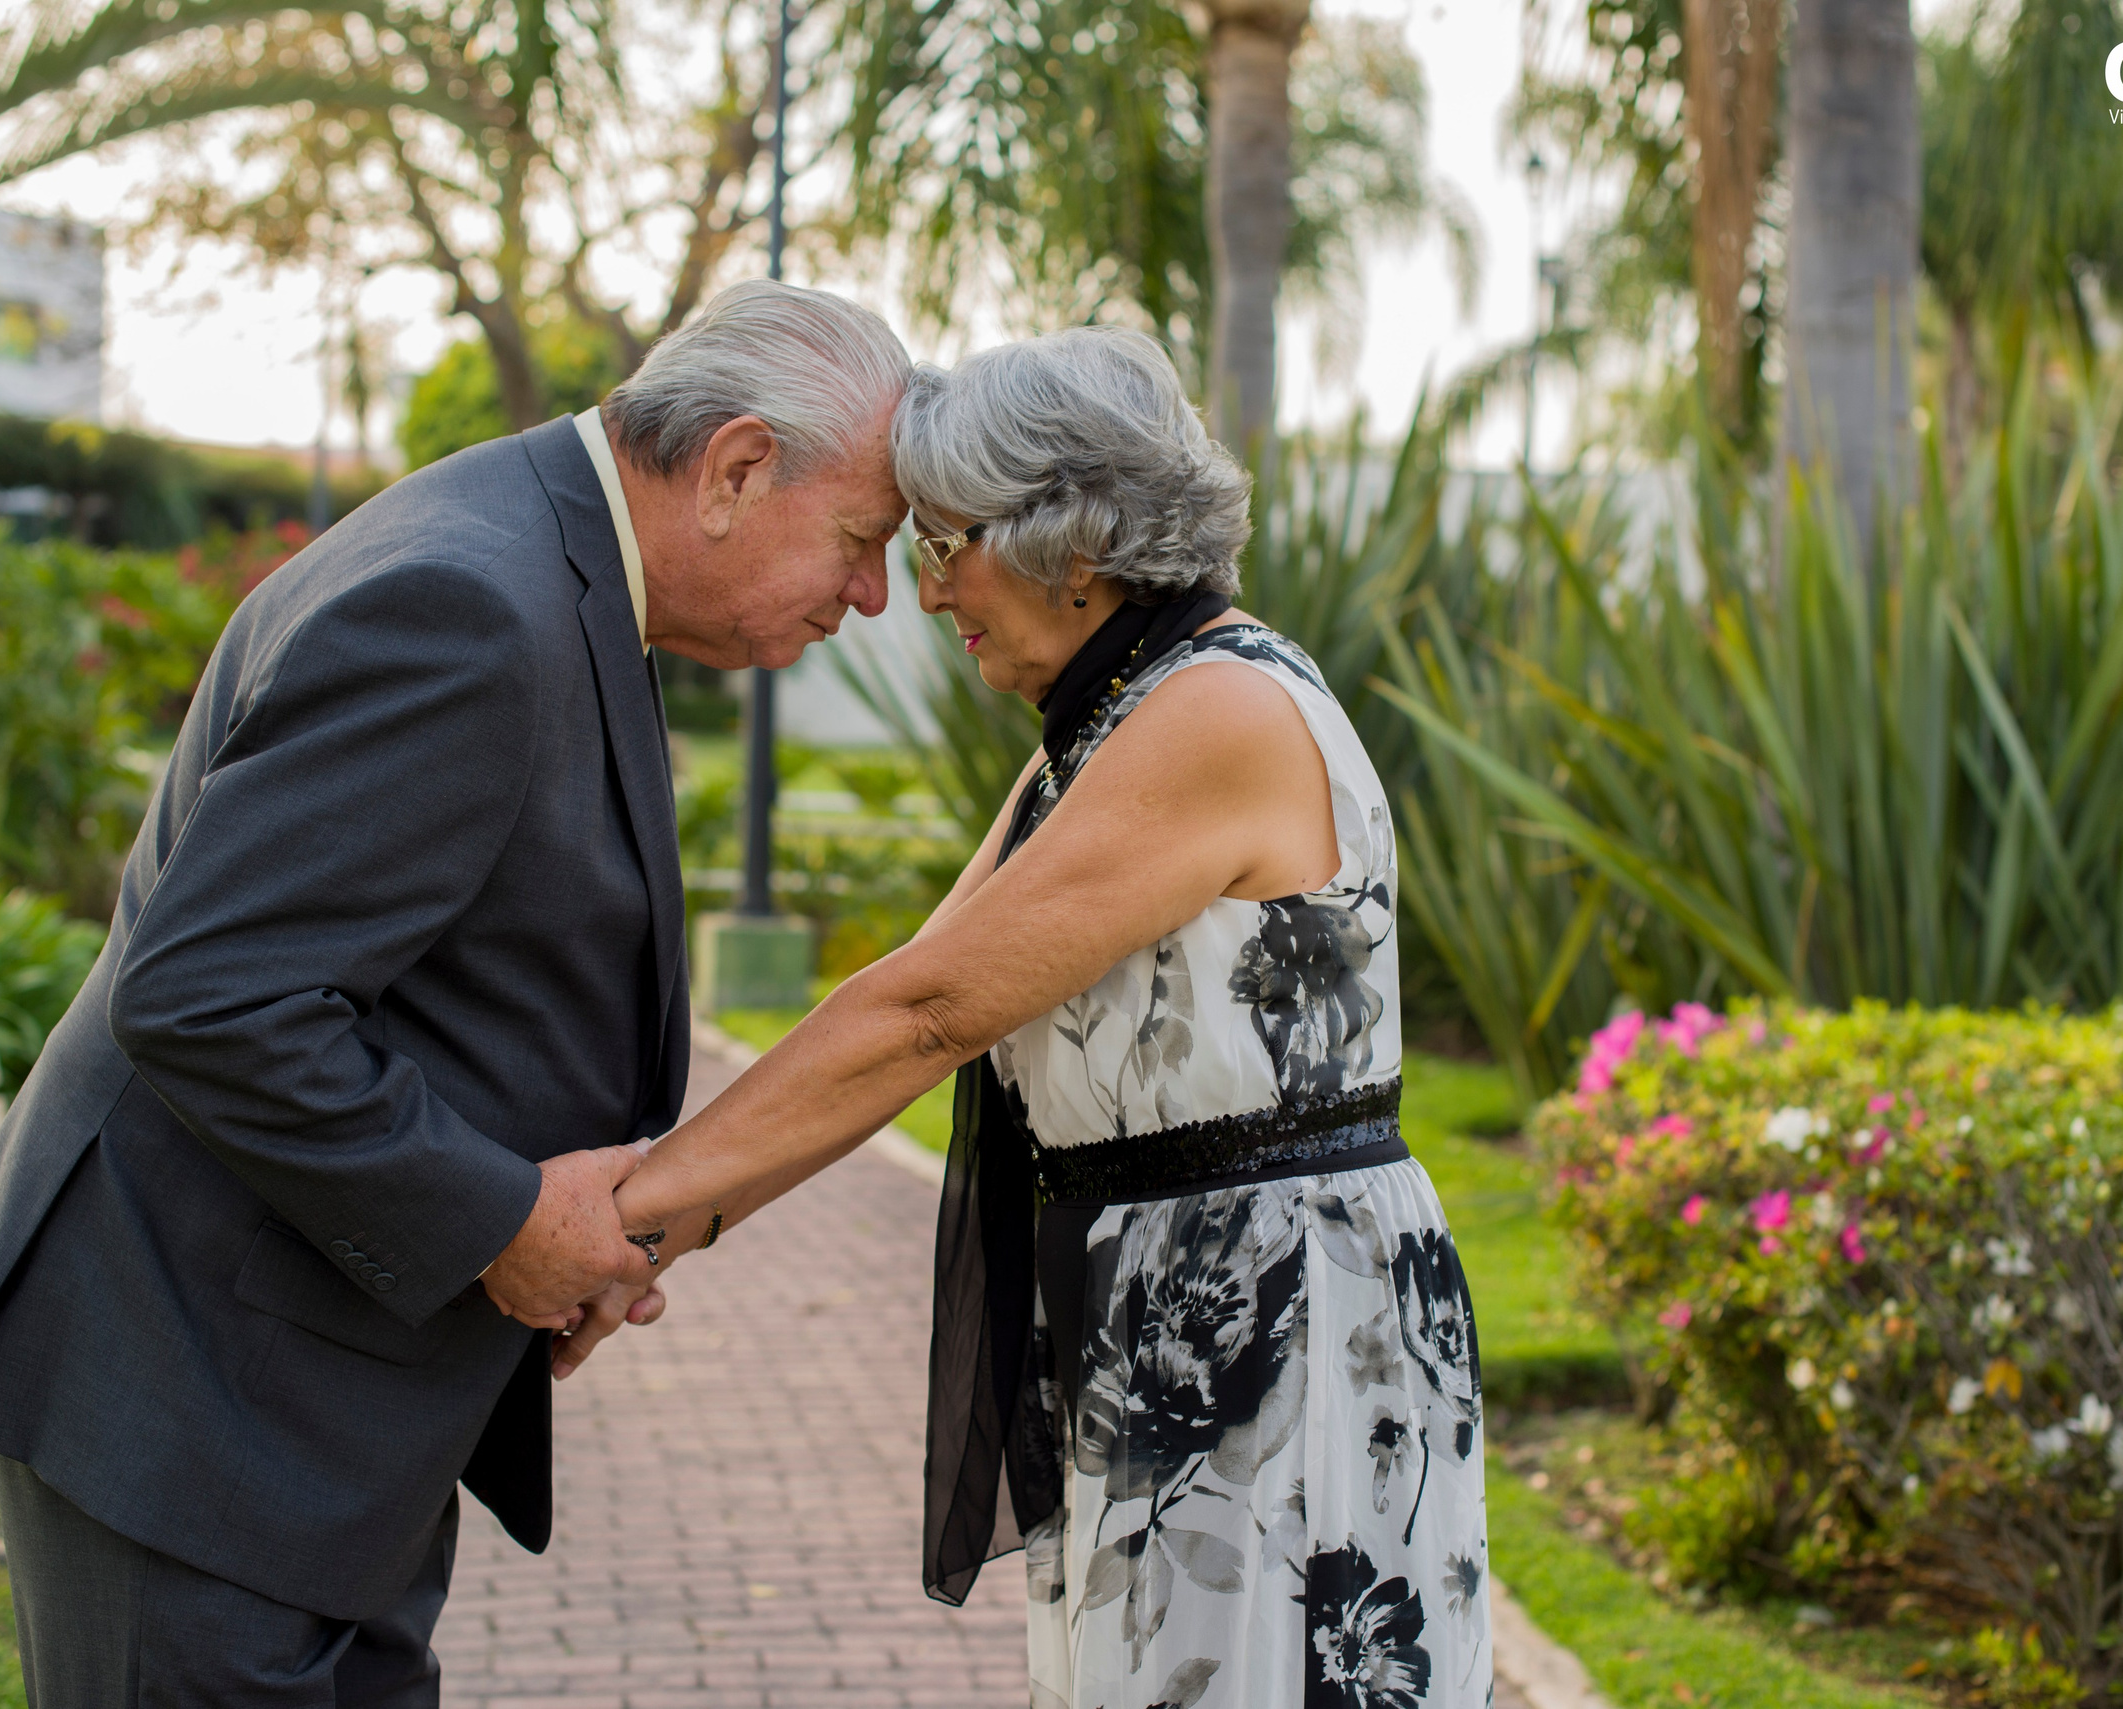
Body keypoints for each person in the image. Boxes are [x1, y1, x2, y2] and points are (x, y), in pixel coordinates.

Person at [0, 279, 914, 1707]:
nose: (870, 596)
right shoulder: (475, 604)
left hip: (308, 1427)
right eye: (864, 540)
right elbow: (210, 994)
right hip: (192, 1423)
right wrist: (501, 1221)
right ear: (740, 468)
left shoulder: (535, 559)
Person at [605, 325, 1492, 1708]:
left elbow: (926, 1013)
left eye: (950, 539)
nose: (925, 585)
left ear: (1073, 539)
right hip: (1169, 1309)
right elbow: (912, 994)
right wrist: (652, 1227)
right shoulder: (1101, 728)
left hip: (1276, 1313)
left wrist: (620, 1224)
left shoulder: (1217, 710)